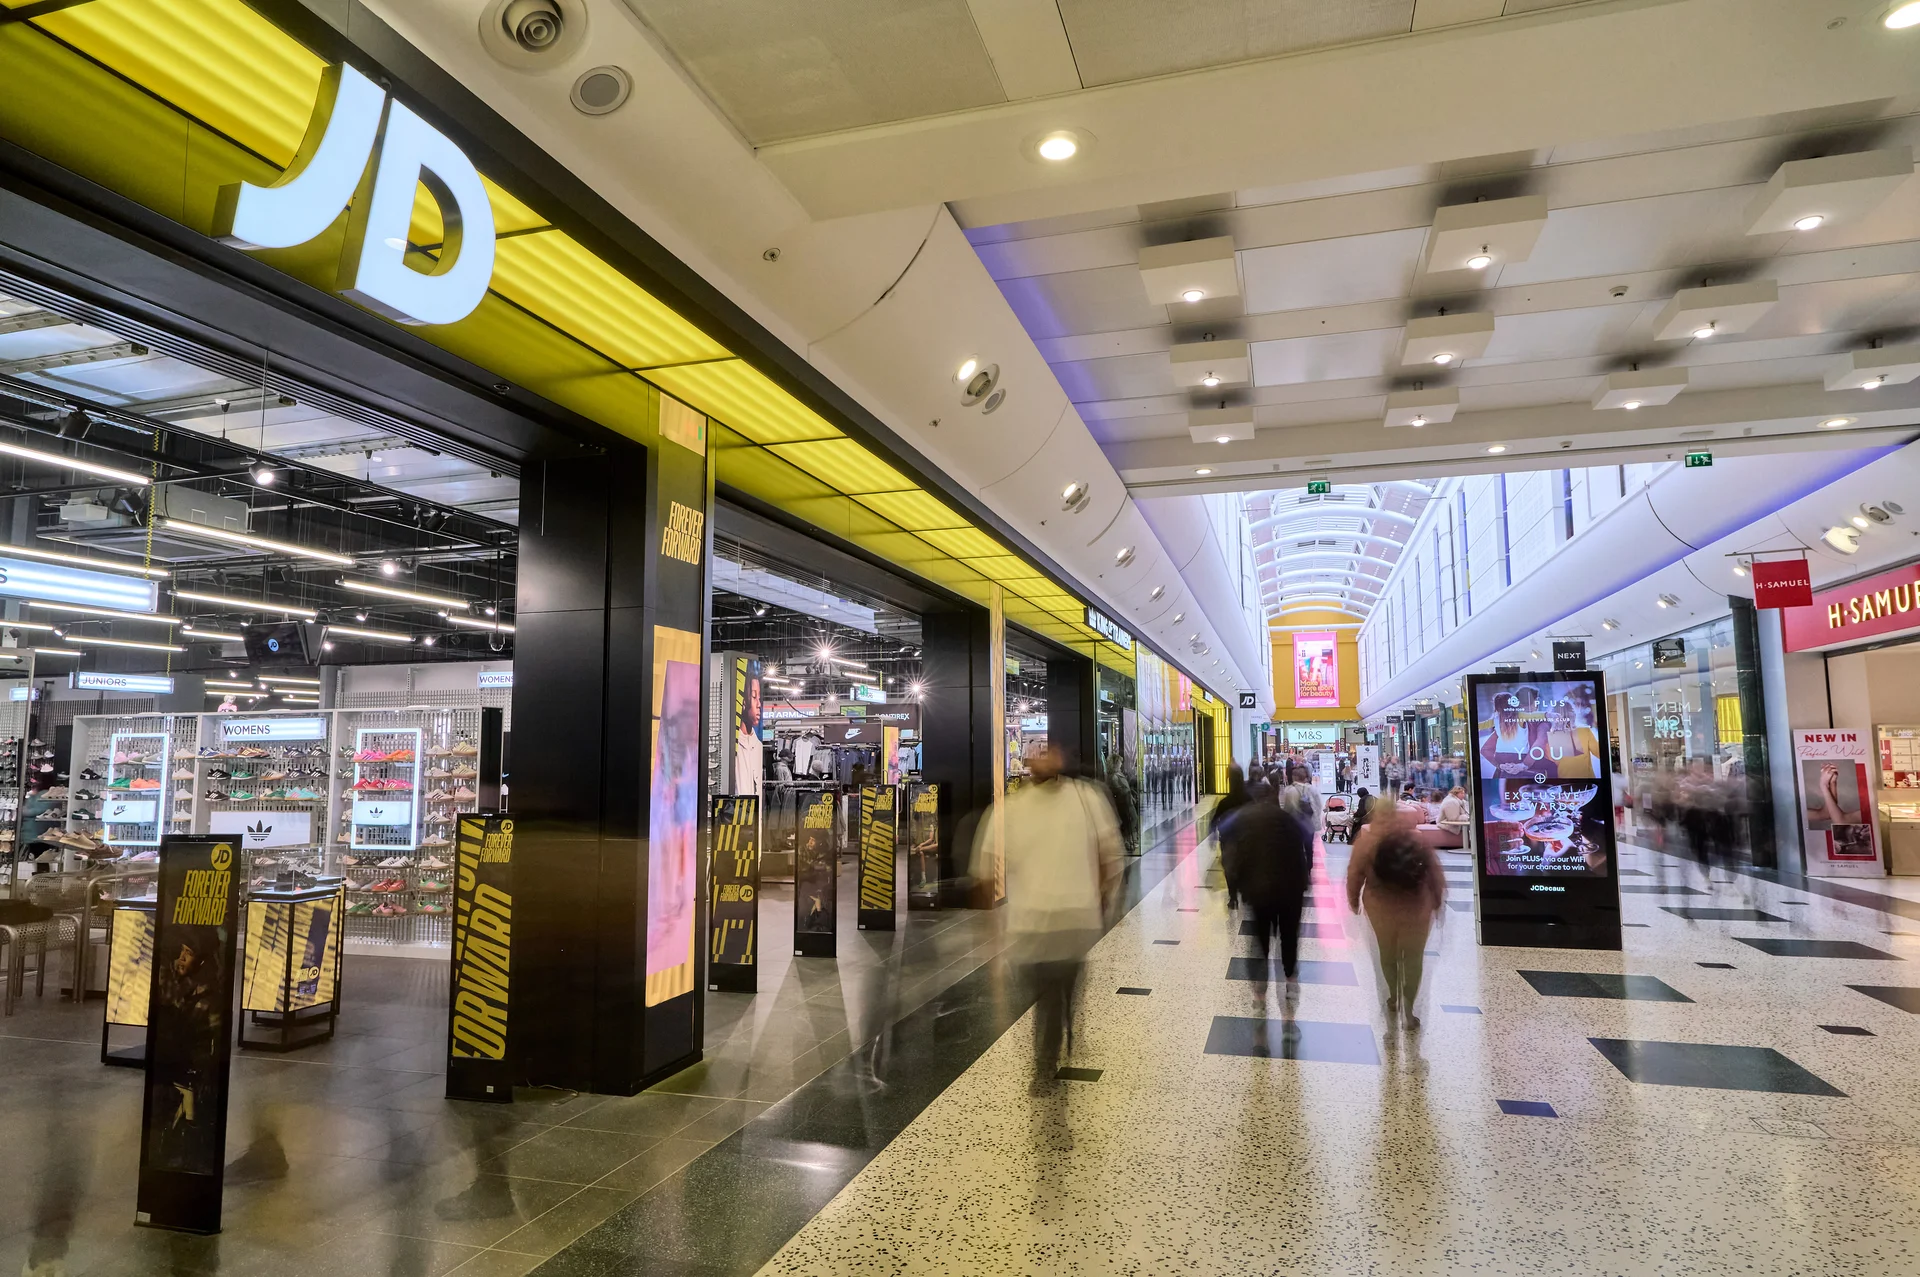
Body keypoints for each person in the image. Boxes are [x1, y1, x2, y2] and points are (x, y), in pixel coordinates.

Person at [976, 744, 1123, 1091]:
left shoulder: (1086, 799)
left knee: (1057, 992)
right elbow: (984, 872)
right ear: (1027, 765)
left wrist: (1104, 900)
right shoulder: (1011, 810)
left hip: (1072, 921)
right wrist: (990, 932)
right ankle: (1048, 1056)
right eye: (1036, 754)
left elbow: (1108, 856)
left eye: (1049, 753)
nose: (1043, 759)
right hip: (1033, 924)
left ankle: (1048, 1057)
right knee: (1050, 995)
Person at [1347, 813, 1446, 1032]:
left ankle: (1393, 996)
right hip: (1416, 908)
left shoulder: (1366, 843)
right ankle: (1409, 1010)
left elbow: (1354, 874)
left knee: (1387, 953)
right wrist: (1437, 903)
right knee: (1413, 958)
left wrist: (1354, 901)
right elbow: (1435, 874)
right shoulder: (1418, 841)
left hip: (1381, 909)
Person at [1222, 795, 1311, 1009]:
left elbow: (1231, 852)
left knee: (1260, 940)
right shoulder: (1288, 819)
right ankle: (1290, 980)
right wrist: (1306, 873)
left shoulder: (1244, 820)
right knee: (1289, 937)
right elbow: (1307, 837)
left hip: (1260, 890)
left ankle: (1260, 993)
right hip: (1291, 888)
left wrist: (1235, 888)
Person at [1214, 762, 1251, 910]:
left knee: (1230, 868)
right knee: (1245, 865)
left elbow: (1214, 820)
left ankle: (1233, 896)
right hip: (1246, 839)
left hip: (1229, 840)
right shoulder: (1248, 798)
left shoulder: (1225, 802)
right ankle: (1245, 892)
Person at [1437, 785, 1470, 849]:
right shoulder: (1451, 802)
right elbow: (1453, 818)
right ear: (1455, 793)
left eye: (1464, 793)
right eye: (1461, 793)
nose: (1463, 795)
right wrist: (1466, 817)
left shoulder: (1461, 801)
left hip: (1455, 822)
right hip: (1446, 823)